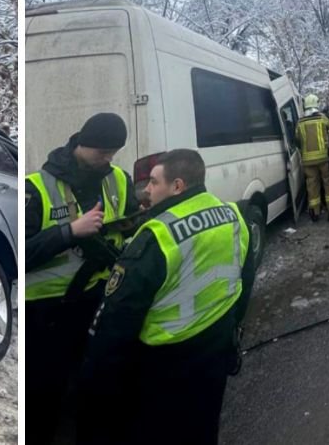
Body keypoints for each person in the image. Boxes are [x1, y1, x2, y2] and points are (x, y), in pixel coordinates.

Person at [75, 149, 258, 445]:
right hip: (216, 345)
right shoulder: (232, 214)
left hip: (165, 363)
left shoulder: (157, 235)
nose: (146, 189)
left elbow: (116, 322)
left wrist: (94, 385)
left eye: (154, 182)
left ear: (178, 186)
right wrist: (234, 330)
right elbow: (244, 278)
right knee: (203, 427)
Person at [25, 112, 140, 445]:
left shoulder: (117, 178)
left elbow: (128, 223)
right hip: (48, 312)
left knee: (95, 383)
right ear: (82, 143)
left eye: (113, 153)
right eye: (101, 152)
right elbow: (19, 253)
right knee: (45, 393)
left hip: (99, 299)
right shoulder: (36, 187)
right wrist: (70, 232)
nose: (107, 159)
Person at [296, 93, 329, 221]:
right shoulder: (322, 118)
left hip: (307, 160)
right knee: (328, 182)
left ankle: (315, 212)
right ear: (316, 105)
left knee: (312, 185)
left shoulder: (300, 122)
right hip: (323, 158)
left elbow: (297, 139)